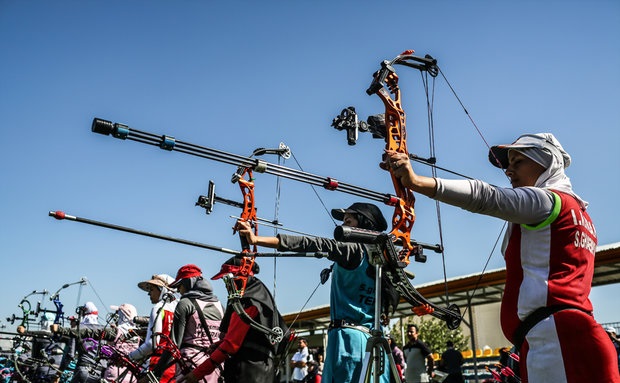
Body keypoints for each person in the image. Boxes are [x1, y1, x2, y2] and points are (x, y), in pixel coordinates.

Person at [384, 132, 620, 382]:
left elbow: (486, 196)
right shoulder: (579, 213)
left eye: (518, 162)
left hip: (557, 339)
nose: (508, 170)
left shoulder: (550, 201)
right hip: (566, 337)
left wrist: (416, 181)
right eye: (508, 164)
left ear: (547, 162)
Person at [236, 202, 393, 383]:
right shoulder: (382, 259)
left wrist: (256, 240)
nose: (343, 222)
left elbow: (312, 243)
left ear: (365, 223)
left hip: (347, 341)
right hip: (373, 341)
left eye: (349, 219)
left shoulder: (353, 250)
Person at [177, 256, 287, 383]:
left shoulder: (247, 301)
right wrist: (219, 345)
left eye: (227, 279)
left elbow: (231, 344)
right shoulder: (259, 295)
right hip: (262, 370)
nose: (226, 285)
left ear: (237, 277)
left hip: (248, 372)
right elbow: (247, 337)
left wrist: (197, 373)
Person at [151, 264, 224, 383]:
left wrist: (156, 373)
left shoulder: (185, 303)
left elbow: (174, 345)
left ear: (187, 283)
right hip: (214, 368)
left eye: (179, 286)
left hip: (189, 368)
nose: (179, 291)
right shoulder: (220, 305)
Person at [52, 302, 141, 383]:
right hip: (128, 376)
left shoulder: (109, 332)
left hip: (103, 373)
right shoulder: (139, 335)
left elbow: (71, 354)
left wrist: (60, 329)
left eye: (118, 314)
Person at [128, 274, 178, 383]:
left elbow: (152, 344)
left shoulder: (158, 308)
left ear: (162, 290)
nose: (148, 293)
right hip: (175, 366)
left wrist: (131, 356)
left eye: (151, 289)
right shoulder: (178, 308)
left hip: (157, 365)